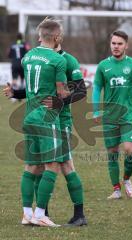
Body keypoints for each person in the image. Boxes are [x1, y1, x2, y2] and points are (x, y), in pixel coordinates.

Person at [4, 18, 87, 227]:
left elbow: (81, 90)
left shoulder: (68, 60)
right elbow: (37, 90)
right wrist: (17, 92)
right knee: (46, 166)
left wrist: (61, 100)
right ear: (57, 36)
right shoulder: (49, 59)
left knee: (64, 164)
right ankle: (42, 213)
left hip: (62, 119)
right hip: (47, 118)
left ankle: (78, 214)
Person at [92, 30, 132, 199]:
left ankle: (126, 179)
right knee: (112, 153)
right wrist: (96, 109)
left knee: (130, 150)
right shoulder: (103, 66)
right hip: (110, 116)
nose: (116, 47)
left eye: (119, 44)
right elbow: (97, 88)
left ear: (126, 45)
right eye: (113, 43)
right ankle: (116, 190)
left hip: (129, 115)